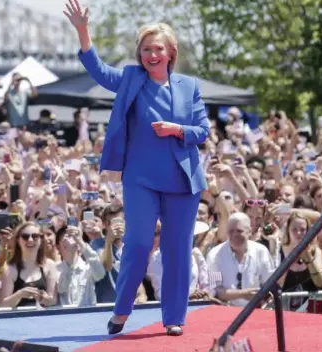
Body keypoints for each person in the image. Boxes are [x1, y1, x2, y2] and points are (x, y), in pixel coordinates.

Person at [64, 0, 210, 336]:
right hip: (140, 178)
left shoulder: (189, 86)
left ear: (170, 52)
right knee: (139, 242)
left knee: (176, 249)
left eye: (158, 48)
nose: (152, 55)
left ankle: (174, 318)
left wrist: (177, 130)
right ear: (140, 53)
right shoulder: (131, 79)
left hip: (182, 180)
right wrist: (84, 32)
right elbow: (99, 71)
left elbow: (203, 130)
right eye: (146, 49)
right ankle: (121, 310)